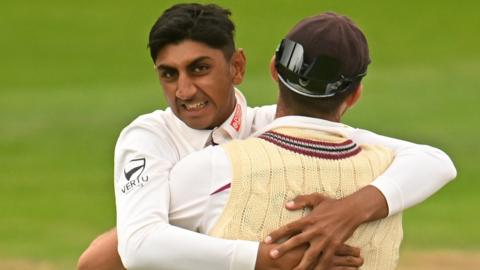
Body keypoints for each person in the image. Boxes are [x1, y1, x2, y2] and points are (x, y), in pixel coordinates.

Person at [78, 4, 456, 270]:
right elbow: (133, 249)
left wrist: (348, 210)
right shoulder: (148, 138)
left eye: (200, 69)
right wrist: (265, 259)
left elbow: (434, 161)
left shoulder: (274, 126)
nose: (185, 90)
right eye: (169, 74)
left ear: (238, 66)